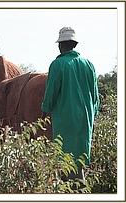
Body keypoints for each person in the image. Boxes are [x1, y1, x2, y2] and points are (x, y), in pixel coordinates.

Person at [41, 27, 100, 180]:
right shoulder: (89, 65)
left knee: (64, 160)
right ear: (74, 44)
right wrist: (91, 117)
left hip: (65, 120)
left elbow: (50, 94)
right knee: (79, 158)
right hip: (85, 121)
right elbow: (95, 98)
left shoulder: (58, 64)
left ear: (60, 45)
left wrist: (44, 111)